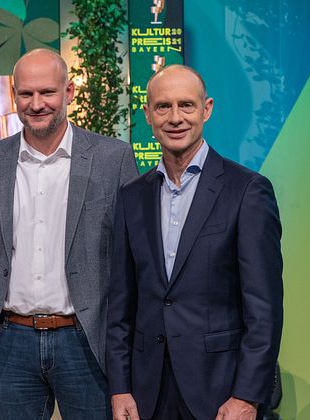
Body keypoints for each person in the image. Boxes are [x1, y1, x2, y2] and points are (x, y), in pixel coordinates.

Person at [0, 48, 138, 419]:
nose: (36, 103)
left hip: (87, 341)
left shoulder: (113, 159)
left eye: (47, 92)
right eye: (26, 94)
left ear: (69, 92)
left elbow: (133, 263)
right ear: (14, 96)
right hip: (12, 343)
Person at [107, 64, 283, 420]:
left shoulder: (247, 190)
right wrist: (120, 387)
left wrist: (246, 396)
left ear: (207, 109)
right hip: (147, 392)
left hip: (220, 393)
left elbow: (264, 309)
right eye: (163, 107)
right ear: (147, 114)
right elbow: (121, 307)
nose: (175, 118)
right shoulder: (131, 197)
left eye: (186, 106)